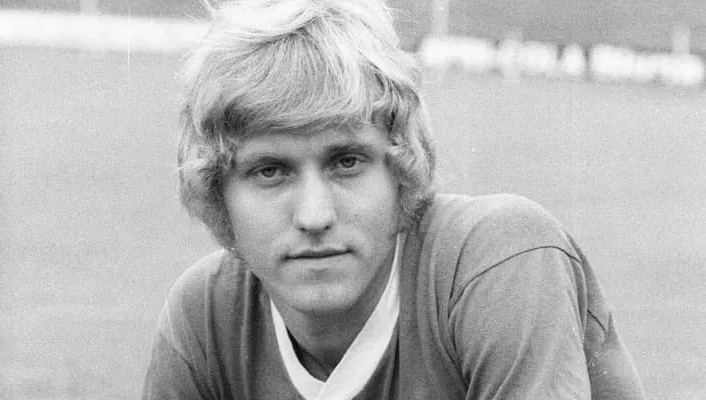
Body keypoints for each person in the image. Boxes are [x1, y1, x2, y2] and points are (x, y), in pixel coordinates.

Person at [142, 0, 646, 398]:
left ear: (401, 169)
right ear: (218, 193)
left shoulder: (497, 261)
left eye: (347, 162)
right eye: (269, 171)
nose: (314, 215)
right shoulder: (206, 316)